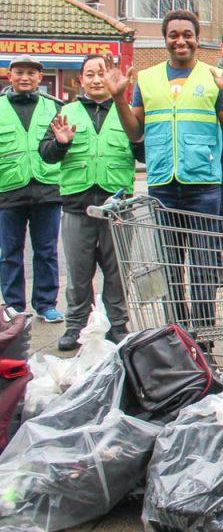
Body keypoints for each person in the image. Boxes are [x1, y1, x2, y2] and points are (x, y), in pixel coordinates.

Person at [108, 10, 223, 333]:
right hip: (162, 186)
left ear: (197, 38)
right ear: (165, 39)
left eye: (187, 34)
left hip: (204, 187)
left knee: (204, 267)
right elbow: (134, 132)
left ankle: (203, 336)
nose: (180, 40)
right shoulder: (148, 78)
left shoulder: (214, 76)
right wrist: (118, 98)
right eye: (173, 35)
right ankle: (178, 335)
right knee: (170, 268)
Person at [38, 55, 135, 348]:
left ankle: (117, 324)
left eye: (101, 74)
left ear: (111, 79)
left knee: (117, 272)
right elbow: (46, 153)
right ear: (80, 80)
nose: (95, 79)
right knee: (79, 274)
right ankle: (76, 326)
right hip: (77, 207)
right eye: (89, 74)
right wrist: (61, 143)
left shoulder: (125, 111)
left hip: (117, 209)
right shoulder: (66, 112)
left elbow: (142, 150)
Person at [0, 55, 63, 322]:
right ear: (9, 75)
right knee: (9, 252)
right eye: (19, 72)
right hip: (8, 190)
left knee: (46, 251)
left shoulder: (55, 107)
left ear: (40, 77)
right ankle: (14, 305)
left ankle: (46, 303)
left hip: (47, 190)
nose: (25, 77)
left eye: (31, 73)